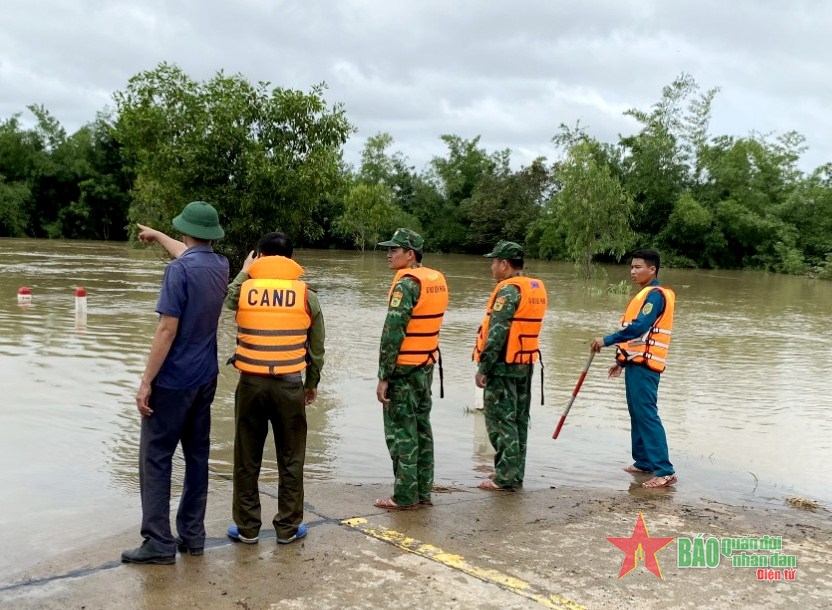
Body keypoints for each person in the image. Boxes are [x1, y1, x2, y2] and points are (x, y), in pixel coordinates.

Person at [122, 201, 229, 565]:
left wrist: (145, 382)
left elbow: (167, 329)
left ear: (186, 229)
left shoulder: (178, 271)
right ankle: (193, 536)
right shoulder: (220, 265)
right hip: (205, 379)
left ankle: (157, 542)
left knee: (156, 458)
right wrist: (157, 235)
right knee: (197, 457)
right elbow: (189, 252)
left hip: (172, 381)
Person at [224, 232, 325, 545]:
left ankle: (247, 528)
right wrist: (311, 384)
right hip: (289, 384)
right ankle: (288, 528)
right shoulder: (305, 292)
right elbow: (317, 346)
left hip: (251, 384)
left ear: (260, 255)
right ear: (291, 259)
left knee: (246, 457)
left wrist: (244, 269)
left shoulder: (245, 289)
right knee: (291, 459)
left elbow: (225, 300)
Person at [374, 228, 448, 510]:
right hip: (425, 366)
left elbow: (393, 333)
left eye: (394, 249)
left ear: (410, 254)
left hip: (404, 370)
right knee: (421, 429)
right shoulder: (436, 279)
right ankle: (423, 492)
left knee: (402, 432)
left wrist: (384, 376)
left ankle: (404, 497)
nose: (389, 254)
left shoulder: (406, 284)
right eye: (388, 249)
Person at [590, 248, 677, 489]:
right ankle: (643, 462)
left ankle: (664, 471)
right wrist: (621, 361)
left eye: (638, 267)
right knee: (637, 413)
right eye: (631, 267)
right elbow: (637, 338)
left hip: (647, 367)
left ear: (653, 270)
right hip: (635, 364)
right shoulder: (644, 295)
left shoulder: (655, 296)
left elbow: (639, 328)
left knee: (647, 414)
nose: (632, 271)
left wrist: (606, 340)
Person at [473, 240, 547, 491]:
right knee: (518, 420)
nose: (492, 267)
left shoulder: (507, 291)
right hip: (525, 363)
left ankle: (504, 477)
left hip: (503, 365)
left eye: (494, 262)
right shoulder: (533, 288)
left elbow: (497, 332)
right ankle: (515, 475)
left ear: (504, 264)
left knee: (500, 421)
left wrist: (484, 367)